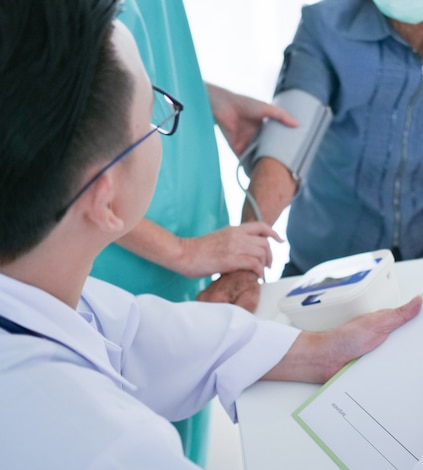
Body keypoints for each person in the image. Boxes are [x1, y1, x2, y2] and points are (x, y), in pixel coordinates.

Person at [0, 1, 423, 468]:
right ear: (105, 196)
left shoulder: (57, 297)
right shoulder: (116, 448)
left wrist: (316, 349)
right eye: (161, 112)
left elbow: (135, 335)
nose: (173, 119)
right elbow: (285, 150)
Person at [89, 0, 297, 464]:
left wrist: (202, 95)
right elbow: (53, 119)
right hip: (122, 255)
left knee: (183, 416)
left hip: (188, 228)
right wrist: (181, 251)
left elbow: (141, 47)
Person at [207, 0, 423, 305]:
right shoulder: (325, 27)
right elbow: (285, 145)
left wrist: (421, 286)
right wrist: (242, 262)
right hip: (318, 274)